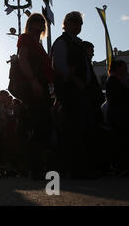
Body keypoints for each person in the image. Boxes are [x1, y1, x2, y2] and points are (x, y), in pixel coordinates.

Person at [52, 11, 101, 179]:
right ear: (66, 23)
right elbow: (58, 66)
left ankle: (83, 166)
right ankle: (74, 168)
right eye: (74, 21)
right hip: (71, 92)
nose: (77, 25)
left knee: (83, 128)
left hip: (83, 92)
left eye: (79, 22)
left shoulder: (78, 44)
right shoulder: (62, 42)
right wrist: (74, 79)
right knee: (73, 129)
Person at [17, 13, 54, 180]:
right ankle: (34, 168)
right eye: (35, 21)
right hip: (34, 86)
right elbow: (22, 59)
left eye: (41, 21)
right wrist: (33, 81)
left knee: (43, 126)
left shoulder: (39, 46)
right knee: (38, 125)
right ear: (29, 24)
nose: (39, 24)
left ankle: (38, 166)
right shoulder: (25, 39)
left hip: (43, 87)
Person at [106, 60, 129, 174]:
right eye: (124, 67)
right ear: (118, 68)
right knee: (121, 141)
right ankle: (121, 166)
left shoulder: (117, 80)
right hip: (118, 116)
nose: (126, 70)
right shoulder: (114, 81)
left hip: (118, 115)